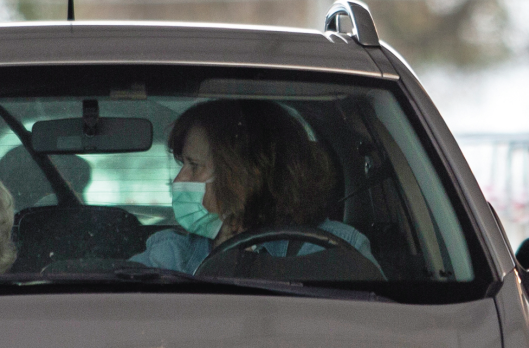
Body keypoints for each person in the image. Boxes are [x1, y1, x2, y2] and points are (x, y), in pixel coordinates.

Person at [133, 99, 373, 272]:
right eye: (182, 165)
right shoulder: (172, 256)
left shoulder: (336, 254)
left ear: (247, 175)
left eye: (194, 166)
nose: (179, 180)